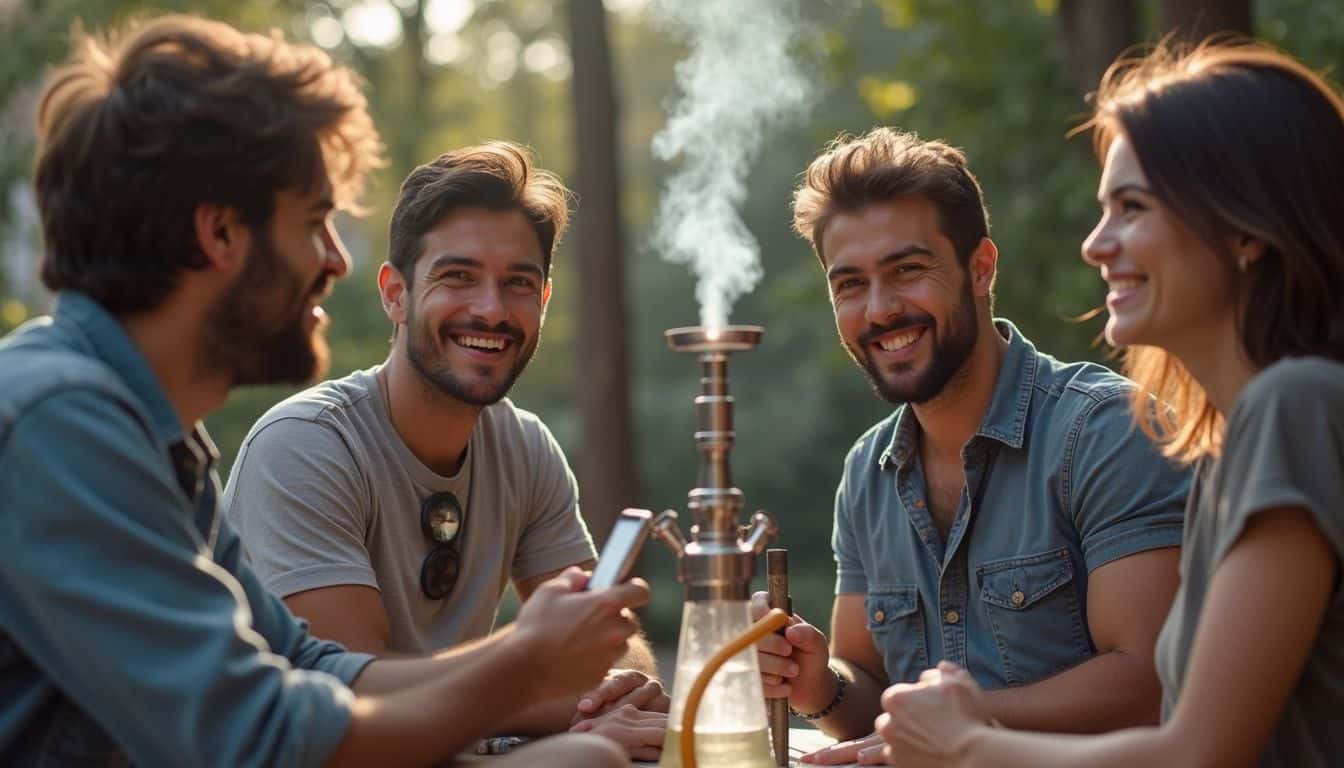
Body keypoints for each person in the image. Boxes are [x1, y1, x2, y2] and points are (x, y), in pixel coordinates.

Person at [0, 16, 644, 767]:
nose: (335, 260)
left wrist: (543, 670)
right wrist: (524, 668)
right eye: (314, 222)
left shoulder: (160, 443)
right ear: (220, 234)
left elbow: (314, 670)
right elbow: (260, 739)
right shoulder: (59, 421)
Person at [875, 39, 1344, 768]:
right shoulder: (1228, 441)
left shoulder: (1295, 408)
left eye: (1132, 207)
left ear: (1246, 227)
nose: (1096, 244)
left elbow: (1197, 754)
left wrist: (966, 744)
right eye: (1103, 209)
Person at [752, 127, 1192, 764]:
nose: (879, 310)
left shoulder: (1108, 432)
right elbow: (872, 705)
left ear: (980, 267)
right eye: (850, 285)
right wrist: (817, 683)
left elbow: (1152, 680)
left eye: (907, 270)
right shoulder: (866, 474)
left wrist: (961, 723)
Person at [220, 141, 667, 758]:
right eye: (458, 277)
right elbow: (355, 695)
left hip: (451, 748)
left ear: (543, 301)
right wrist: (563, 701)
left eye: (518, 283)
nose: (490, 309)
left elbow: (614, 644)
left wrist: (603, 691)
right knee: (586, 757)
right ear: (395, 294)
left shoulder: (524, 447)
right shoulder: (304, 446)